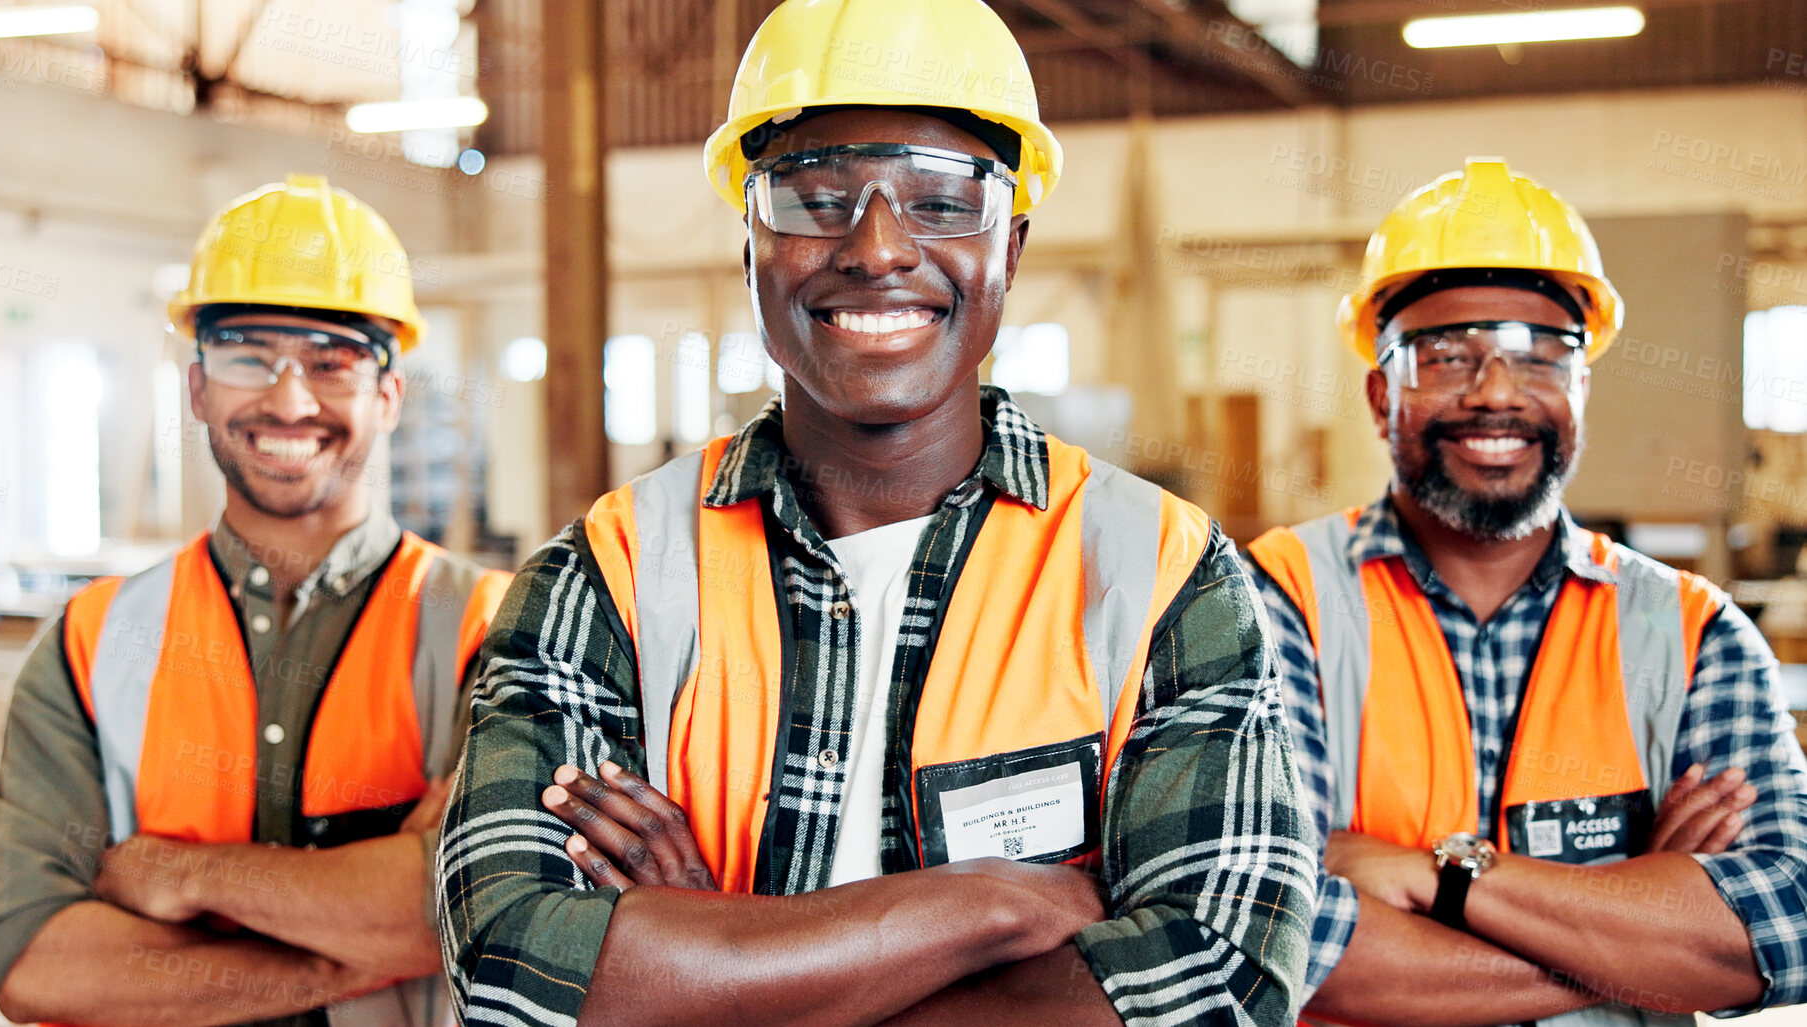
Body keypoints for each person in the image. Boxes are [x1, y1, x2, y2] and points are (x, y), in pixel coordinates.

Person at [435, 1, 1314, 1024]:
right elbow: (512, 966)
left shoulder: (1163, 571)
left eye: (943, 202)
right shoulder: (607, 576)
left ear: (1012, 250)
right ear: (753, 244)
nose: (878, 246)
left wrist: (716, 954)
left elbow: (1220, 979)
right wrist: (984, 906)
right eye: (816, 198)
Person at [1246, 158, 1807, 1026]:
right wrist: (1642, 930)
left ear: (1581, 387)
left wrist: (1447, 878)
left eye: (1540, 356)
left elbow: (1785, 924)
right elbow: (1273, 935)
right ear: (1376, 393)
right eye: (1444, 357)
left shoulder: (1691, 634)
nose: (1496, 393)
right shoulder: (1274, 599)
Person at [0, 174, 512, 1027]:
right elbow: (33, 961)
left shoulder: (494, 626)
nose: (288, 398)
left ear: (389, 395)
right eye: (246, 355)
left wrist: (181, 873)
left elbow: (497, 912)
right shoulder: (91, 640)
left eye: (332, 360)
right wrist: (362, 929)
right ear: (197, 388)